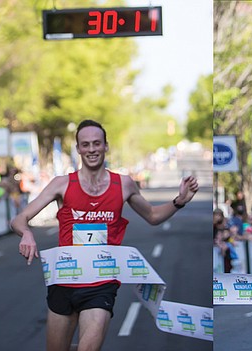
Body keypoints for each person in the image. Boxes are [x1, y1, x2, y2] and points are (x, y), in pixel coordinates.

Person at [10, 119, 199, 351]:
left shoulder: (124, 185)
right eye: (86, 144)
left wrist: (179, 201)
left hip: (102, 283)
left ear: (106, 146)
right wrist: (26, 234)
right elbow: (19, 219)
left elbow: (152, 216)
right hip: (64, 280)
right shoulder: (61, 184)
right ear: (79, 149)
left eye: (97, 144)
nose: (92, 149)